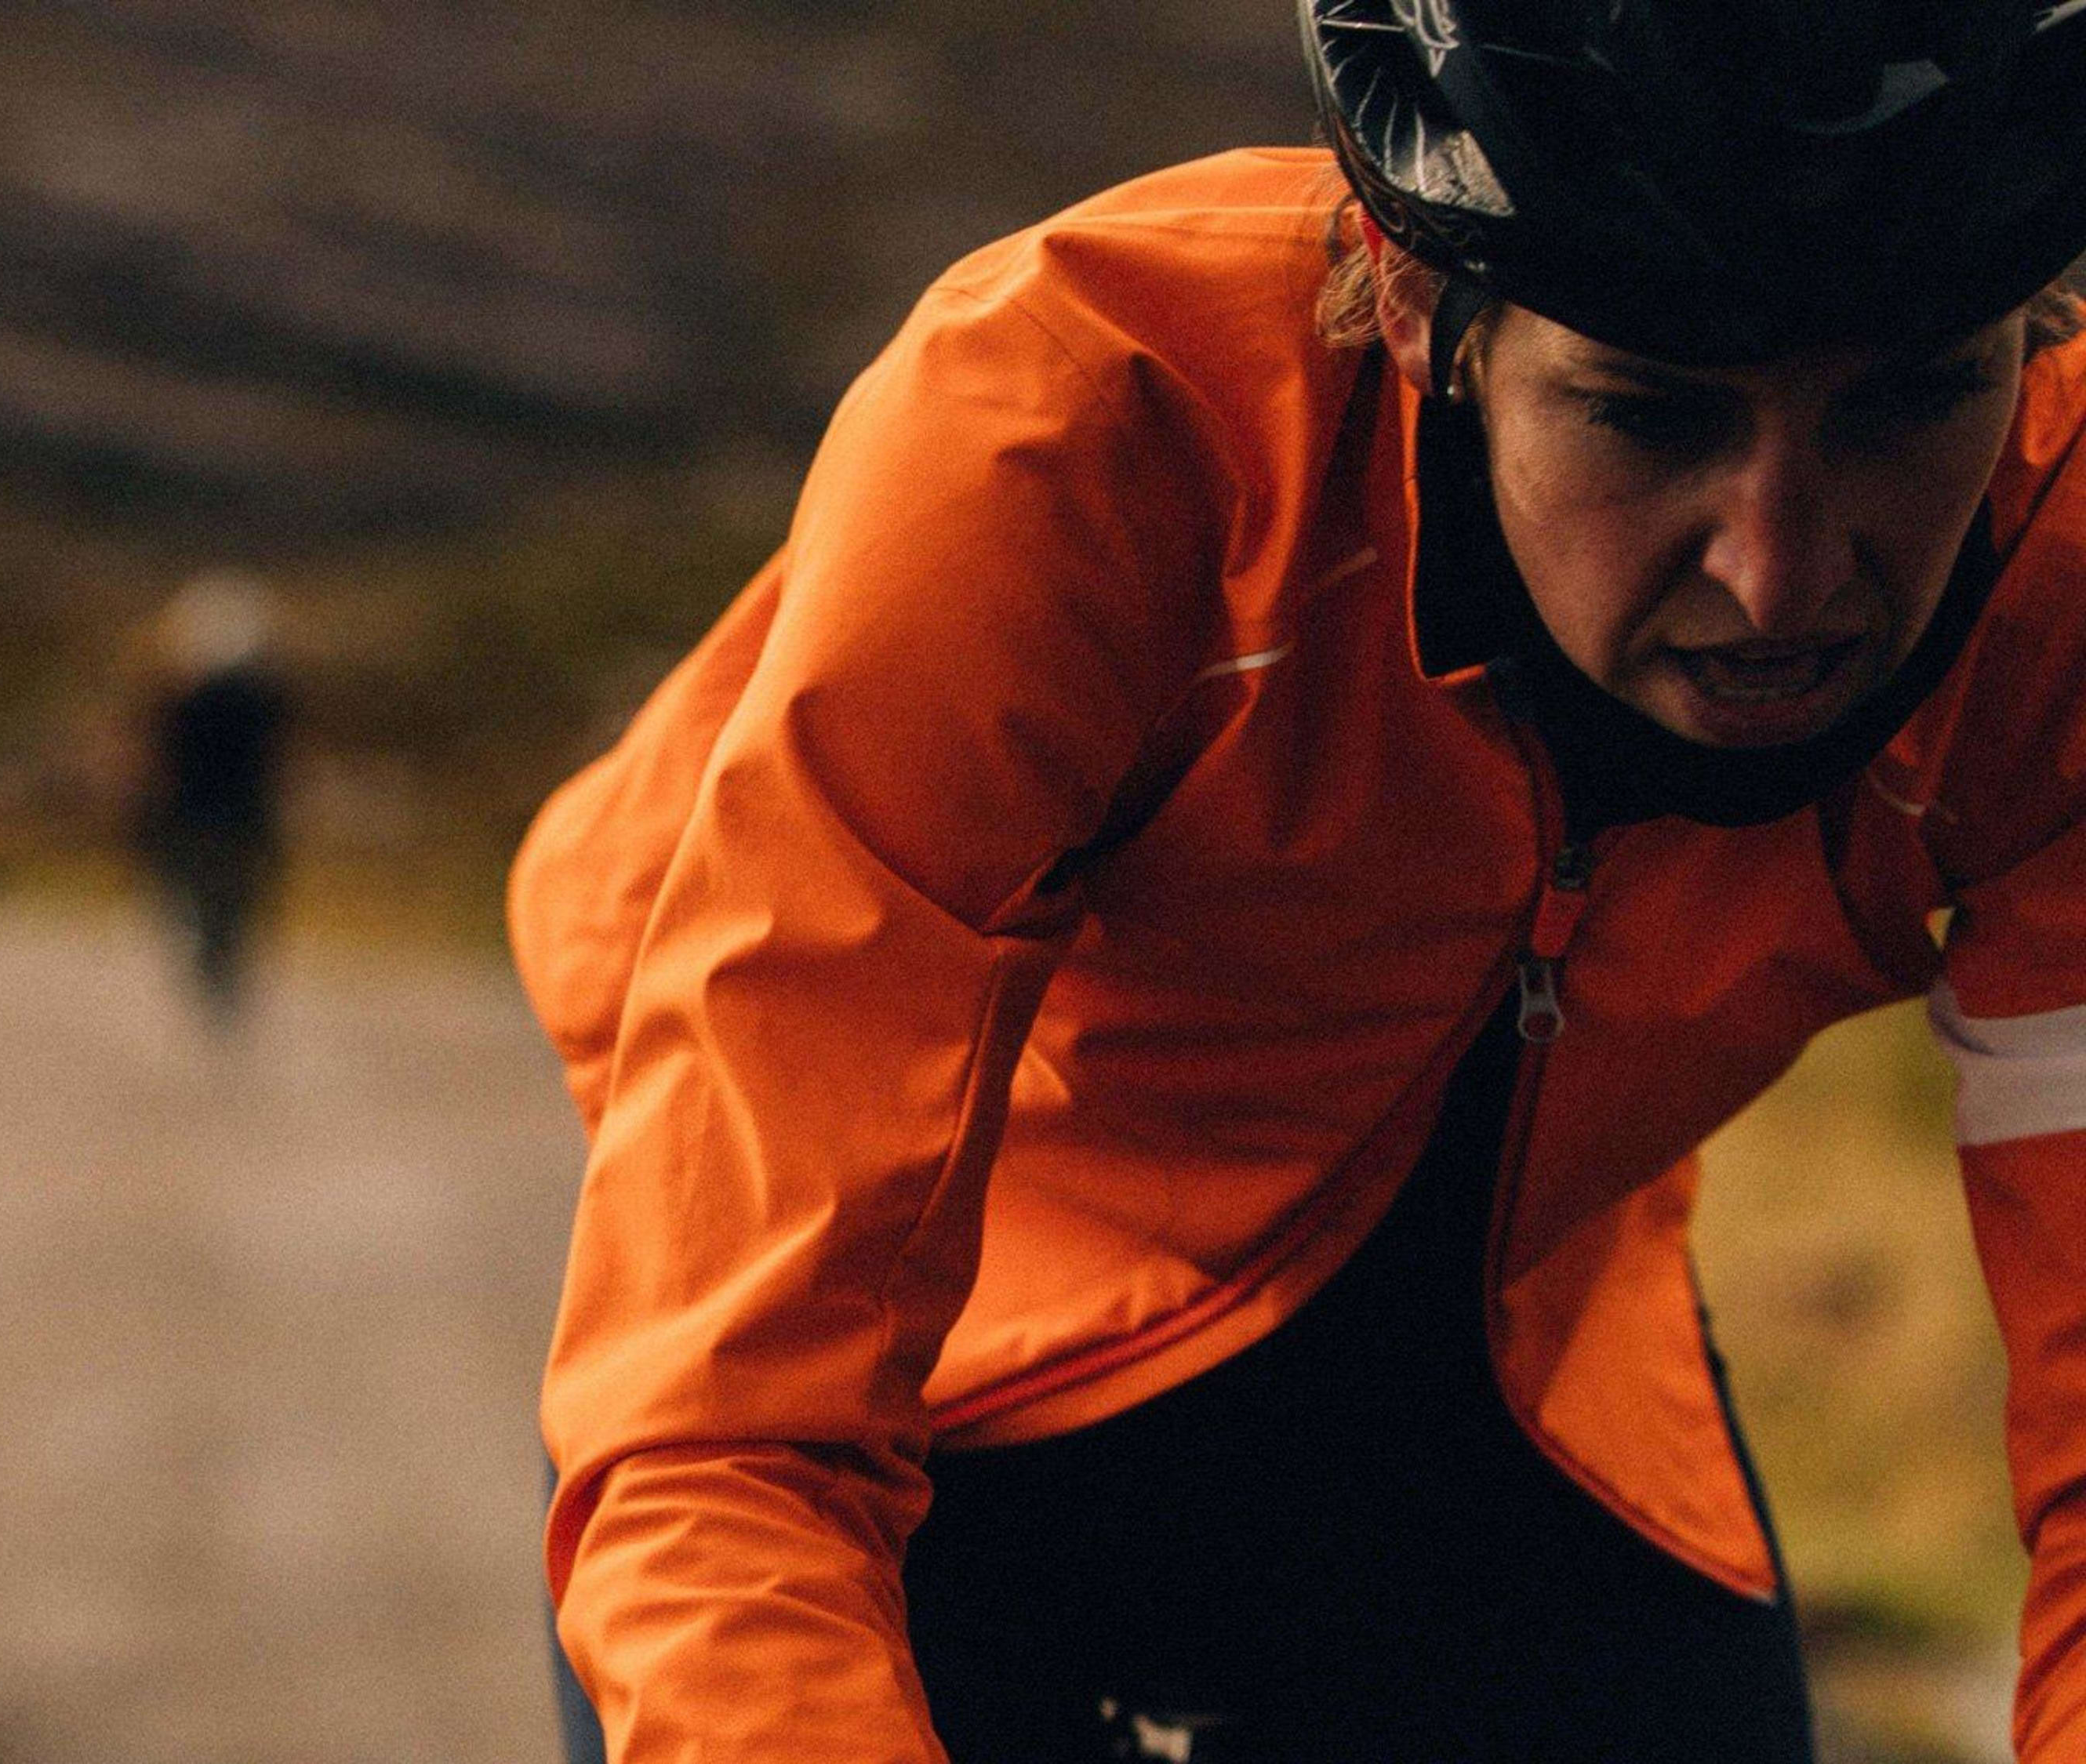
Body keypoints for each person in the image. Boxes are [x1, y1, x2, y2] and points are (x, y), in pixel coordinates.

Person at [511, 3, 2086, 1759]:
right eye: (1646, 419)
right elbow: (729, 1431)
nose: (1779, 575)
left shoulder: (2059, 594)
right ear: (1416, 304)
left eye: (1912, 399)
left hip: (1515, 1343)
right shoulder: (1082, 426)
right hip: (953, 1319)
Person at [136, 570, 294, 1030]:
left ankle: (211, 972)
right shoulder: (265, 699)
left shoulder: (179, 697)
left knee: (200, 899)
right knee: (232, 902)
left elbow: (157, 762)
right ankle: (220, 973)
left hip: (197, 817)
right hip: (238, 819)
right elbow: (280, 764)